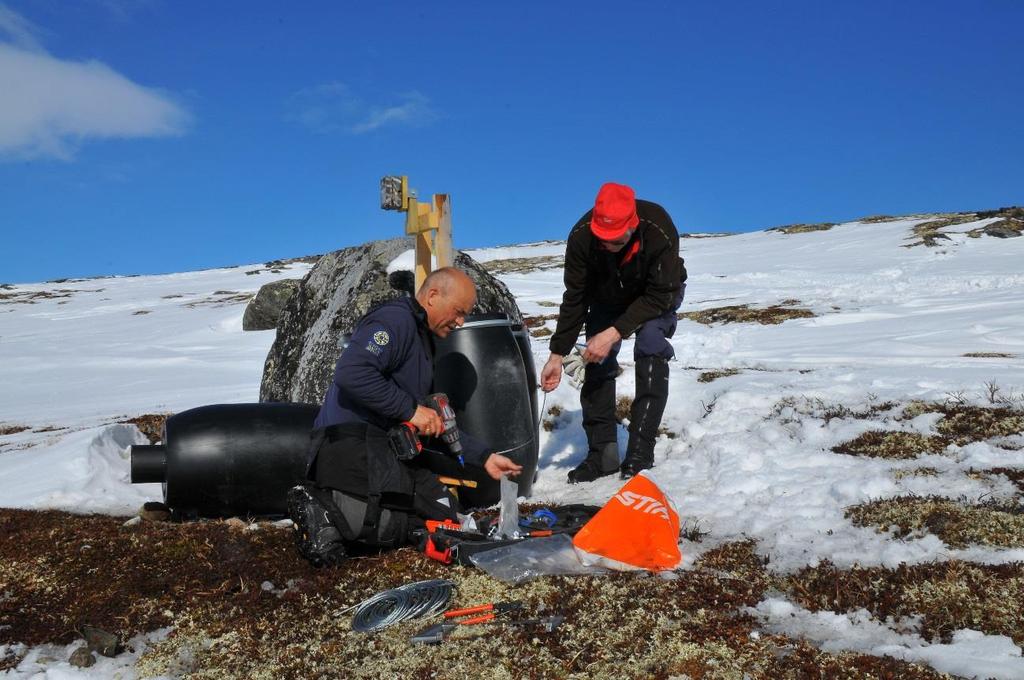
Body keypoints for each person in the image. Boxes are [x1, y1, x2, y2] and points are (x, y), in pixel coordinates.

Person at [288, 267, 522, 566]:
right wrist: (410, 410)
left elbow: (434, 425)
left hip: (388, 448)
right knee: (375, 523)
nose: (461, 322)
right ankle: (321, 509)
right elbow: (352, 372)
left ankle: (368, 517)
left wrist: (485, 456)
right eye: (459, 311)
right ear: (433, 296)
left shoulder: (422, 339)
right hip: (350, 443)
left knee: (446, 514)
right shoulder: (394, 321)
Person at [541, 182, 686, 483]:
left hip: (655, 295)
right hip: (606, 297)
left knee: (649, 341)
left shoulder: (657, 227)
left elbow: (661, 294)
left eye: (614, 241)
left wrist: (614, 333)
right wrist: (557, 354)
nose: (606, 245)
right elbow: (576, 298)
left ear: (632, 227)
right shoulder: (581, 237)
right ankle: (602, 455)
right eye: (602, 239)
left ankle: (639, 452)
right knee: (594, 358)